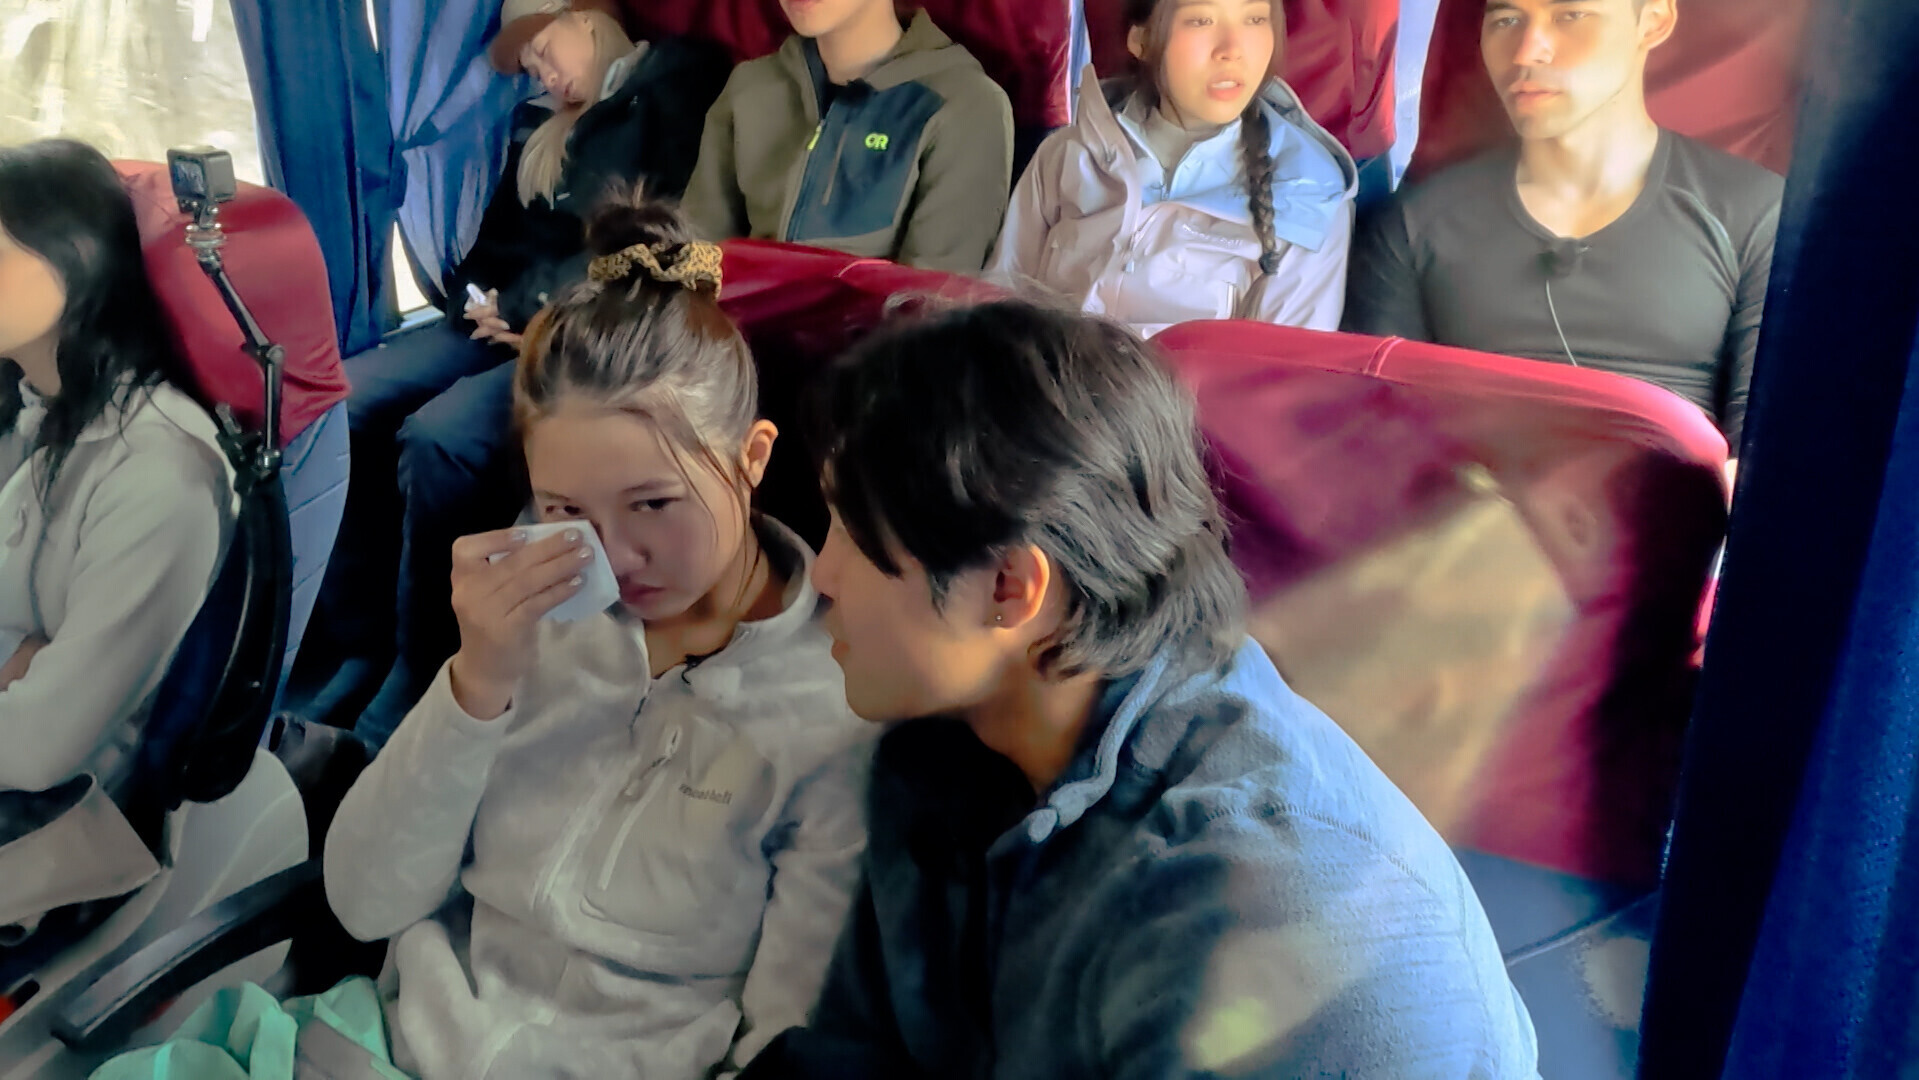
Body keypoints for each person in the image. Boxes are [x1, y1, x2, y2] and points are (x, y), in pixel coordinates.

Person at [741, 300, 1539, 1078]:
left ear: (1011, 589)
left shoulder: (1266, 901)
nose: (823, 574)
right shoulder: (943, 758)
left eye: (851, 534)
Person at [320, 195, 874, 1079]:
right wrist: (475, 685)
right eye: (565, 508)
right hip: (389, 1044)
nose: (612, 556)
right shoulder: (539, 608)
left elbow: (782, 1035)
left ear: (752, 460)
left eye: (653, 504)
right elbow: (363, 903)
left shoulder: (836, 703)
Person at [327, 0, 731, 743]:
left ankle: (424, 661)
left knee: (439, 437)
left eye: (544, 49)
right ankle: (354, 638)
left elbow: (648, 234)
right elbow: (496, 242)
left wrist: (528, 305)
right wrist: (478, 298)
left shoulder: (673, 84)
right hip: (502, 321)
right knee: (342, 400)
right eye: (531, 67)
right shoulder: (538, 129)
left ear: (586, 18)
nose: (540, 73)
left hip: (585, 324)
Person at [1343, 0, 1781, 479]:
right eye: (1507, 20)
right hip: (1471, 512)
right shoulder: (1412, 225)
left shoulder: (1754, 213)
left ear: (1652, 22)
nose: (1527, 52)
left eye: (1571, 16)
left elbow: (1766, 457)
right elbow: (1378, 445)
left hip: (1679, 511)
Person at [0, 141, 235, 902]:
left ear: (78, 260)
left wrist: (27, 671)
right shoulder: (39, 406)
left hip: (64, 824)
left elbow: (38, 748)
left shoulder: (160, 472)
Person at [991, 0, 1357, 336]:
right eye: (1201, 21)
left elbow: (1282, 372)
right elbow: (999, 305)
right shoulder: (1069, 153)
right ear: (1142, 40)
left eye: (1255, 19)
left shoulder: (1309, 197)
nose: (1232, 49)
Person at [682, 0, 1015, 273]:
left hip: (878, 335)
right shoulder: (750, 87)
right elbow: (693, 264)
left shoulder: (964, 106)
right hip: (731, 331)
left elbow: (936, 308)